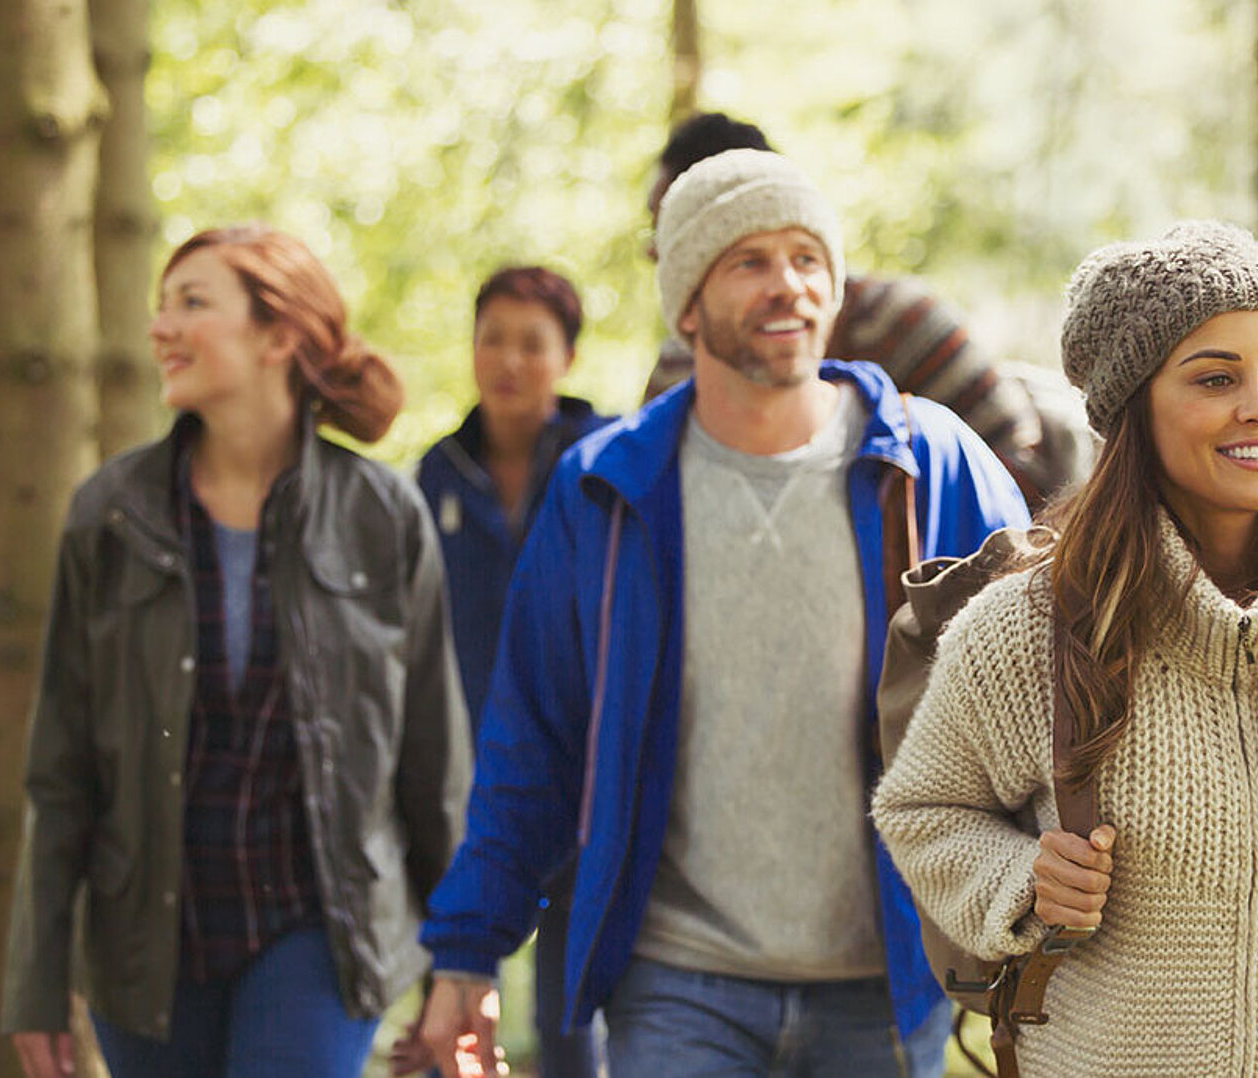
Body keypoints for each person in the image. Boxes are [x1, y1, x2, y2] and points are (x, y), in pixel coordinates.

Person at [392, 150, 1030, 1078]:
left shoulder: (930, 467)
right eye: (751, 262)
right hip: (677, 983)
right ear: (687, 302)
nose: (789, 286)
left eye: (808, 260)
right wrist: (466, 950)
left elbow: (1032, 696)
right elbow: (533, 744)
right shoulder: (609, 490)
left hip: (884, 978)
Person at [872, 221, 1258, 1074]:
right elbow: (923, 811)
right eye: (1216, 377)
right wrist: (1022, 883)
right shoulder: (1022, 632)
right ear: (1133, 410)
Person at [2, 225, 473, 1078]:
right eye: (159, 306)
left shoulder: (383, 517)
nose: (160, 328)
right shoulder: (109, 516)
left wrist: (463, 965)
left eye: (192, 302)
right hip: (146, 941)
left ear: (278, 335)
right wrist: (35, 985)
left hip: (320, 929)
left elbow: (433, 767)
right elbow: (60, 769)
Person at [641, 111, 1096, 508]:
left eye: (668, 230)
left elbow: (1021, 456)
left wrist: (912, 546)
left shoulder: (901, 324)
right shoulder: (674, 376)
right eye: (748, 264)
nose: (655, 253)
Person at [414, 266, 612, 1078]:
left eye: (532, 343)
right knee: (450, 1008)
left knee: (571, 1027)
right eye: (491, 337)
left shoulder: (607, 463)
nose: (508, 360)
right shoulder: (436, 474)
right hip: (465, 776)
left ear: (565, 357)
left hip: (585, 772)